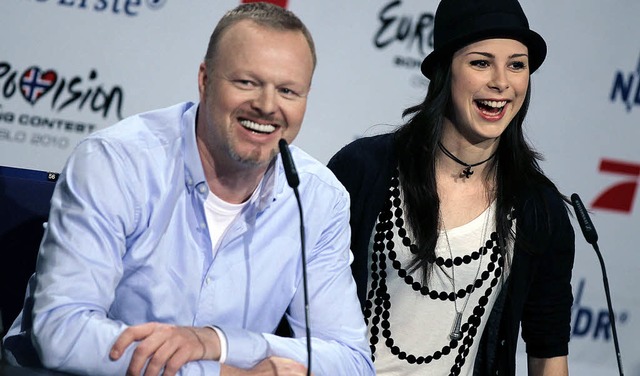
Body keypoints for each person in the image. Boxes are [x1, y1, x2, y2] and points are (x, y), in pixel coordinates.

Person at [2, 3, 374, 375]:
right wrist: (220, 372)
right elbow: (62, 333)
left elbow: (351, 361)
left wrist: (219, 341)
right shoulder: (116, 163)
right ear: (205, 79)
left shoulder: (318, 198)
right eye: (247, 82)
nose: (267, 106)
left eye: (289, 91)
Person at [327, 0, 575, 375]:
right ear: (444, 70)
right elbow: (301, 304)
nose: (501, 82)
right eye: (481, 62)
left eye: (516, 65)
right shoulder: (364, 168)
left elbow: (549, 351)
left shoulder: (538, 208)